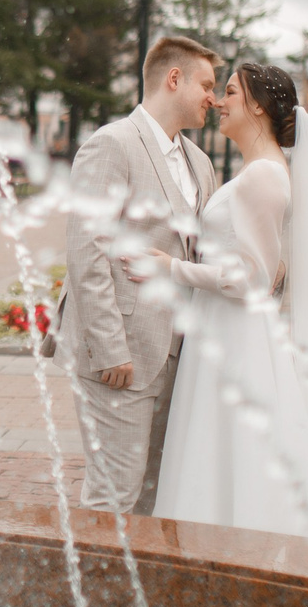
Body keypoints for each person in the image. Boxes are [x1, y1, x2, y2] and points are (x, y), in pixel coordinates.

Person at [137, 62, 308, 538]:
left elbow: (252, 279)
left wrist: (171, 268)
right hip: (222, 330)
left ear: (258, 106)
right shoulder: (259, 172)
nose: (218, 102)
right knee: (215, 448)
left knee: (228, 449)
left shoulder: (262, 176)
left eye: (229, 92)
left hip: (235, 338)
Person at [61, 36, 222, 514]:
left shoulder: (202, 163)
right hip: (121, 356)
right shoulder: (112, 145)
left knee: (154, 497)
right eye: (207, 85)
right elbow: (86, 250)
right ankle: (91, 588)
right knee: (114, 496)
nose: (213, 98)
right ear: (175, 79)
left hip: (176, 356)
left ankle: (133, 591)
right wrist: (109, 347)